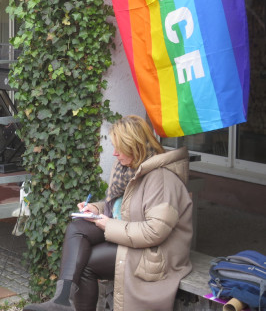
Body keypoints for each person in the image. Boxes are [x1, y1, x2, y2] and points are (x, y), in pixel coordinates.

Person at [24, 115, 193, 311]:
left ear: (134, 146)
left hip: (157, 254)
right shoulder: (130, 169)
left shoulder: (161, 179)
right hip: (133, 237)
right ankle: (62, 300)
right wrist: (95, 209)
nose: (114, 154)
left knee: (87, 264)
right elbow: (124, 207)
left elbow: (154, 232)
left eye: (119, 148)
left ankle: (65, 304)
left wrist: (108, 225)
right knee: (78, 226)